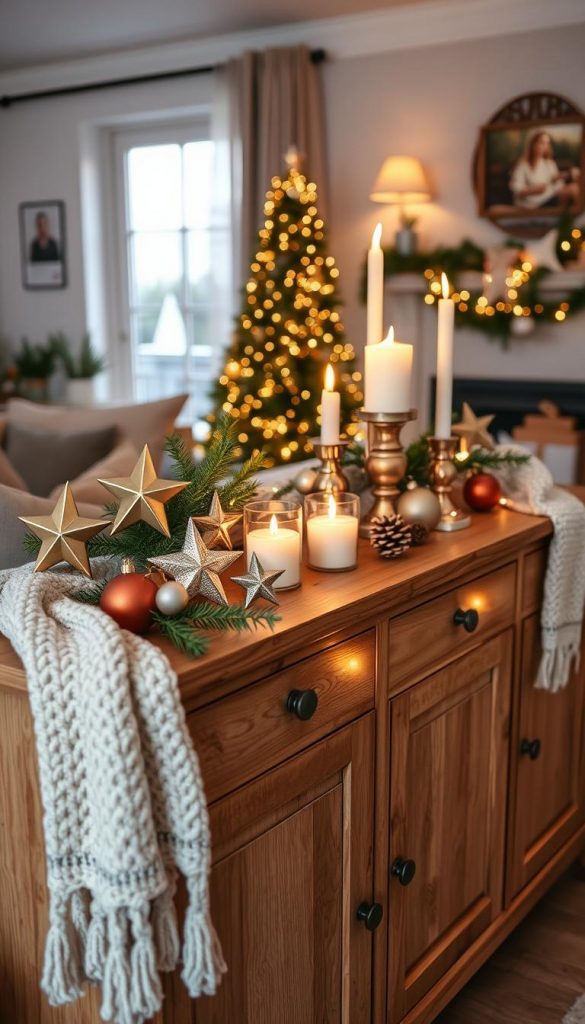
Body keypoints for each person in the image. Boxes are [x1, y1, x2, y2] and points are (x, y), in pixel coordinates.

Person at [509, 130, 580, 209]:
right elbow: (516, 188)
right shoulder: (522, 165)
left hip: (548, 199)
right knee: (573, 189)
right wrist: (532, 190)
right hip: (531, 204)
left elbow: (557, 186)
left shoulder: (549, 163)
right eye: (542, 143)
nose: (545, 146)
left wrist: (562, 177)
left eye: (547, 143)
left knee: (574, 188)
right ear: (533, 144)